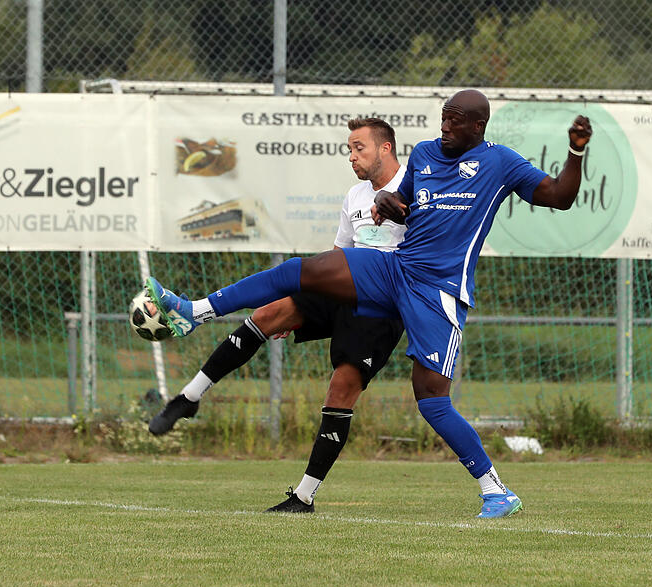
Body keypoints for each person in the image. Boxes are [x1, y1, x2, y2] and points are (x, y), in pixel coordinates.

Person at [145, 89, 592, 518]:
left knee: (432, 401)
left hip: (437, 291)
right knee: (305, 269)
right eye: (443, 118)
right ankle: (194, 311)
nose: (446, 127)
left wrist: (574, 154)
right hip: (396, 268)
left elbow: (561, 197)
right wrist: (387, 202)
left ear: (479, 125)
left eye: (456, 121)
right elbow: (406, 202)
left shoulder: (500, 162)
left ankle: (495, 491)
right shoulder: (426, 154)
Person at [149, 118, 408, 513]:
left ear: (386, 148)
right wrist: (307, 304)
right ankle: (189, 396)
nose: (352, 157)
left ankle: (304, 497)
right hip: (346, 286)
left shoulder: (413, 186)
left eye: (360, 148)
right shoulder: (355, 196)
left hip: (381, 304)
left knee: (341, 391)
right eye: (349, 149)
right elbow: (339, 255)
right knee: (270, 314)